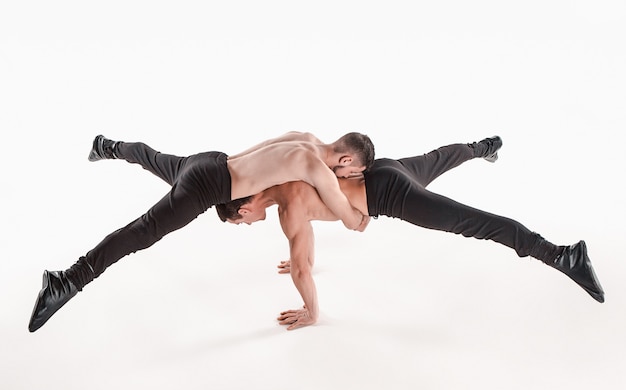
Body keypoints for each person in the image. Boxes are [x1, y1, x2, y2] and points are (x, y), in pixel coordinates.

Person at [215, 137, 604, 330]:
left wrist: (311, 312)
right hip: (384, 170)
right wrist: (306, 258)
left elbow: (301, 265)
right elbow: (306, 241)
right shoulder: (287, 178)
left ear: (245, 208)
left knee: (476, 223)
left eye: (238, 222)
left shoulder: (287, 211)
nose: (244, 225)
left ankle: (561, 255)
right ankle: (483, 147)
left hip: (392, 195)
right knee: (437, 159)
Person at [28, 131, 375, 332]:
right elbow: (349, 218)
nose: (348, 179)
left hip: (209, 161)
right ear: (345, 161)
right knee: (143, 231)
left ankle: (107, 146)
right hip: (209, 185)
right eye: (353, 173)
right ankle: (68, 280)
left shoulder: (306, 138)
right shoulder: (317, 167)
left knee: (153, 157)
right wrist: (363, 215)